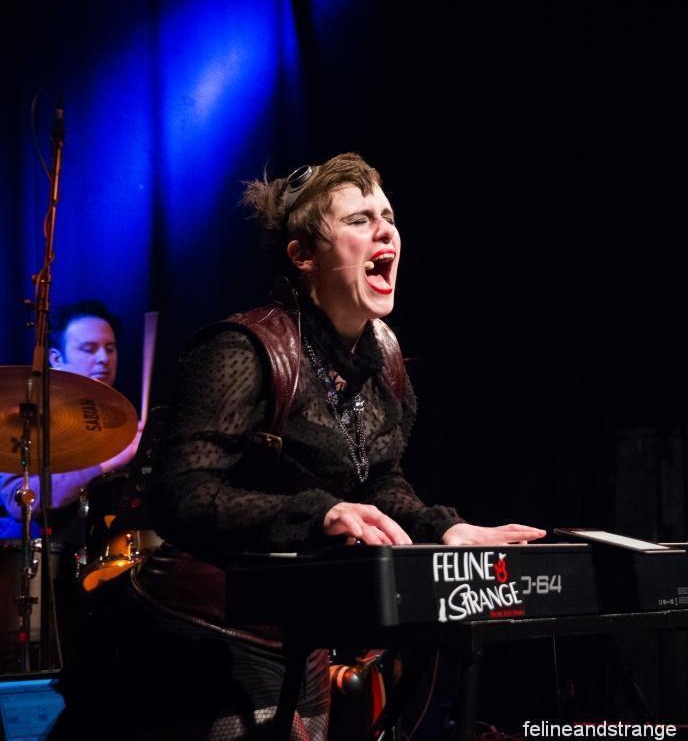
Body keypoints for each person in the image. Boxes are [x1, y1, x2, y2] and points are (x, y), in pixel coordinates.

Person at [51, 152, 544, 740]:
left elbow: (375, 479)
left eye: (388, 217)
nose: (385, 231)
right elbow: (181, 496)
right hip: (198, 632)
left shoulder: (383, 357)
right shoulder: (244, 349)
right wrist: (321, 514)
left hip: (295, 632)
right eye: (359, 219)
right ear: (303, 255)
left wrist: (444, 531)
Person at [0, 300, 141, 540]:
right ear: (56, 359)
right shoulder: (22, 418)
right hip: (53, 553)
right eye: (89, 348)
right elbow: (19, 501)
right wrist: (106, 464)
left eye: (110, 348)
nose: (103, 358)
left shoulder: (125, 423)